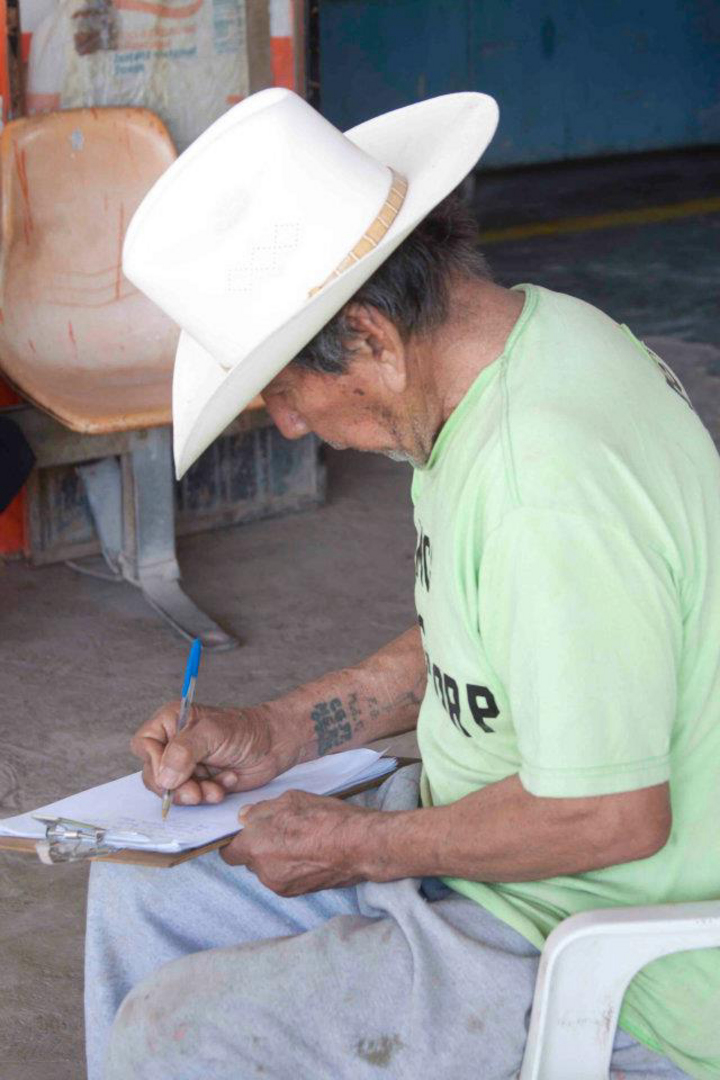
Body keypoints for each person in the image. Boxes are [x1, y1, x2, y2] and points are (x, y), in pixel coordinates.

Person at [86, 89, 720, 1079]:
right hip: (499, 859)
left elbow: (611, 815)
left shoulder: (543, 485)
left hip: (593, 935)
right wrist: (280, 732)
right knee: (140, 884)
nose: (291, 425)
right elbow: (487, 635)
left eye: (286, 391)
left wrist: (365, 846)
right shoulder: (518, 350)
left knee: (175, 1032)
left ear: (372, 341)